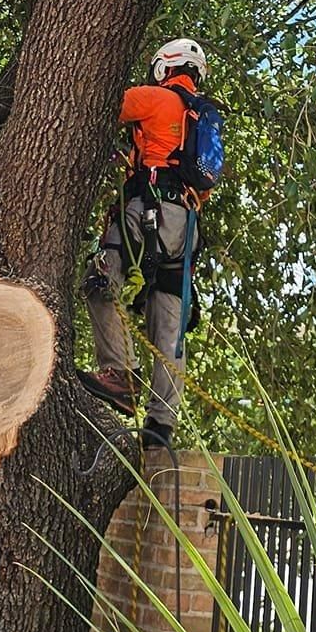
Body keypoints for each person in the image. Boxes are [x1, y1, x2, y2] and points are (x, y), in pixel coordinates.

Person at [80, 36, 213, 449]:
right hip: (184, 227)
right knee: (169, 325)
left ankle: (120, 373)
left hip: (147, 210)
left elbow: (101, 103)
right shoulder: (201, 117)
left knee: (101, 277)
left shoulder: (155, 98)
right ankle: (161, 425)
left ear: (164, 67)